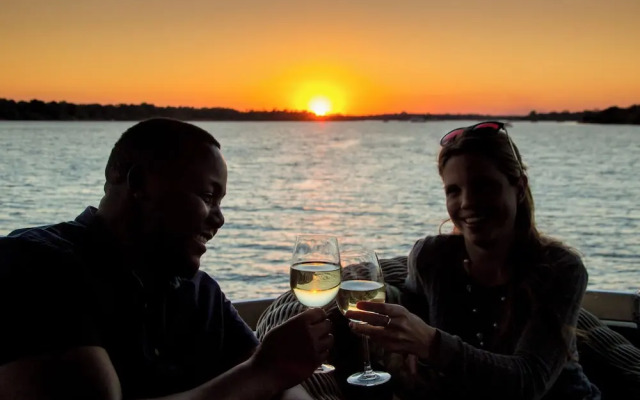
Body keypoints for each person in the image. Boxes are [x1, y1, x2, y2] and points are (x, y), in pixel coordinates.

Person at [0, 118, 333, 400]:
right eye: (207, 196)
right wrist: (262, 371)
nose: (219, 219)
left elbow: (283, 390)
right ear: (139, 183)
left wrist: (271, 371)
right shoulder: (34, 263)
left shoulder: (201, 295)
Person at [346, 121, 600, 399]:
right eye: (454, 190)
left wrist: (431, 345)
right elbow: (413, 304)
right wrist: (365, 284)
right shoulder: (431, 258)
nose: (467, 202)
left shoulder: (561, 270)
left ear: (518, 187)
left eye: (484, 186)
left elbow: (530, 381)